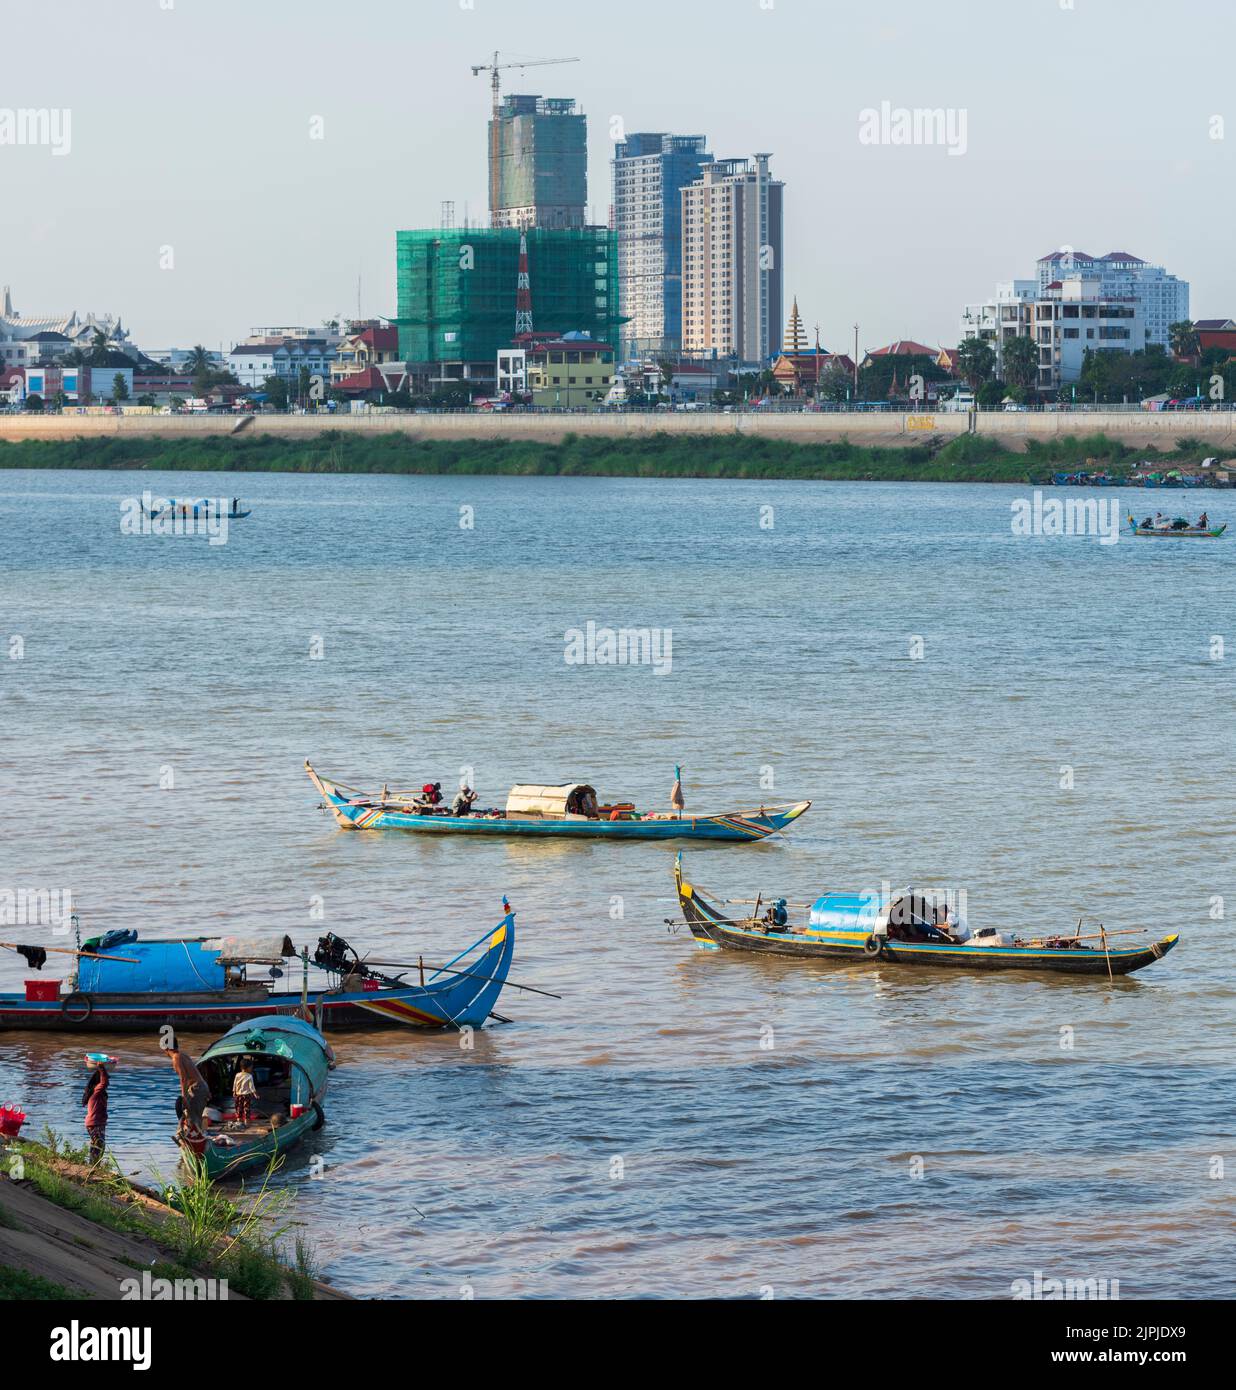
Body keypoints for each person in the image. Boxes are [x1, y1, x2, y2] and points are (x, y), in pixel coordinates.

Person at [165, 1033, 211, 1136]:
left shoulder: (176, 1058)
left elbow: (183, 1078)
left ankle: (195, 1142)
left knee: (192, 1117)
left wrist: (184, 1096)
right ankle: (195, 1138)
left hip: (197, 1088)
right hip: (202, 1086)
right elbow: (196, 1073)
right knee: (194, 1117)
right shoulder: (183, 1055)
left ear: (166, 1048)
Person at [82, 1058, 109, 1166]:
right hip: (95, 1123)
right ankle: (93, 1167)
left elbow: (105, 1082)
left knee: (97, 1146)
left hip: (95, 1123)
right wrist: (101, 1068)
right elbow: (104, 1082)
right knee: (99, 1146)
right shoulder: (97, 1091)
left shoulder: (97, 1093)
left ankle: (93, 1166)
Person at [232, 1058, 258, 1126]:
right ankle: (247, 1122)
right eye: (251, 1067)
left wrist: (234, 1091)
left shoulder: (237, 1075)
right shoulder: (249, 1076)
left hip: (238, 1095)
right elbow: (251, 1086)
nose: (251, 1069)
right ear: (248, 1068)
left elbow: (235, 1084)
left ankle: (239, 1122)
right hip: (246, 1095)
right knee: (247, 1109)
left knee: (238, 1108)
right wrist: (255, 1094)